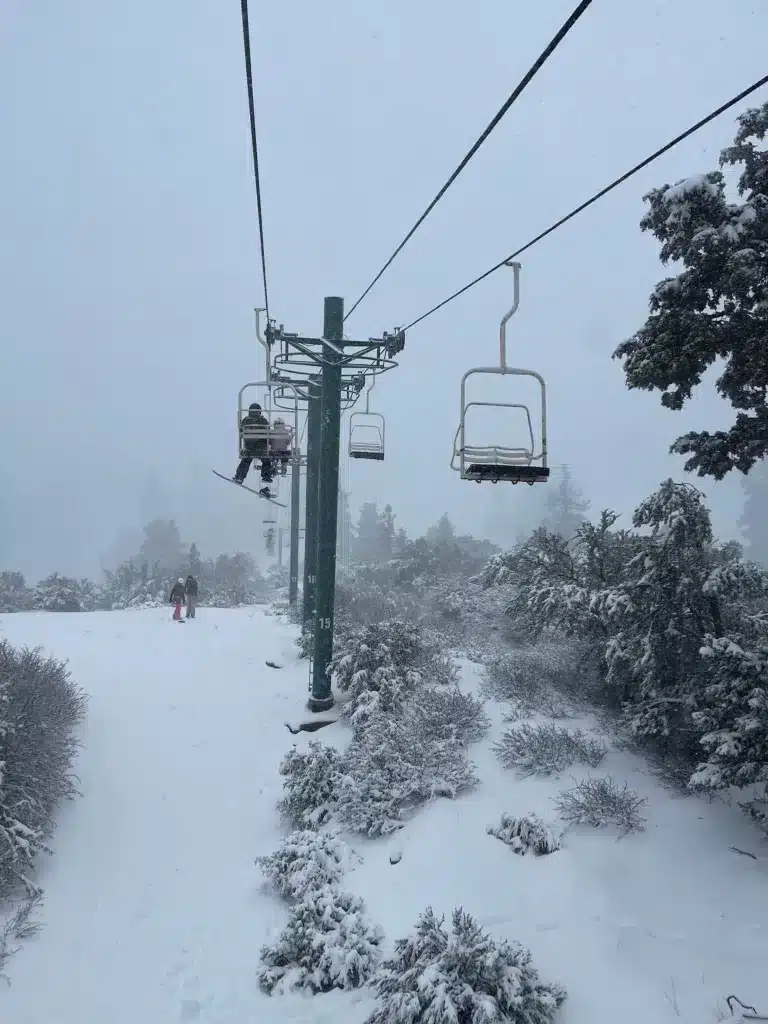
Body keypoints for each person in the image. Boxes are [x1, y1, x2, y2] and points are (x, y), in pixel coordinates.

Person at [234, 403, 274, 497]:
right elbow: (268, 432)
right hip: (261, 449)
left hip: (249, 449)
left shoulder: (245, 421)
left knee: (246, 461)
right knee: (267, 462)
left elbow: (241, 431)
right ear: (259, 411)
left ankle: (240, 477)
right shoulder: (263, 421)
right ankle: (266, 478)